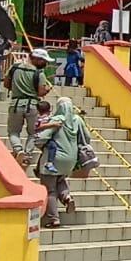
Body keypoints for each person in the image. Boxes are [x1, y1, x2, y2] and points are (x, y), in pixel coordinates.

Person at [33, 97, 88, 227]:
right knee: (60, 180)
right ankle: (67, 197)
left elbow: (42, 138)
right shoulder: (77, 120)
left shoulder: (57, 120)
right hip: (70, 160)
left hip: (54, 159)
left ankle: (53, 218)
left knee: (50, 189)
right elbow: (87, 137)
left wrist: (40, 145)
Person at [4, 47, 53, 163]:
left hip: (16, 104)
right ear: (36, 59)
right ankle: (27, 155)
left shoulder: (14, 68)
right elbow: (41, 92)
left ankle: (18, 149)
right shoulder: (38, 74)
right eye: (43, 61)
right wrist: (47, 90)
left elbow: (6, 84)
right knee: (33, 133)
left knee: (13, 131)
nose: (45, 64)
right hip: (33, 106)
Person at [33, 99, 59, 175]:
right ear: (49, 110)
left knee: (44, 152)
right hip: (41, 139)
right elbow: (39, 127)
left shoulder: (41, 117)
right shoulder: (43, 118)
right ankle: (50, 163)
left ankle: (37, 169)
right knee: (53, 146)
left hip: (39, 140)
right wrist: (53, 125)